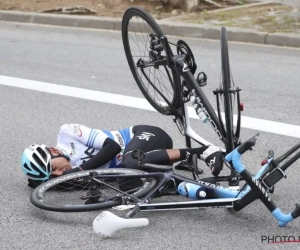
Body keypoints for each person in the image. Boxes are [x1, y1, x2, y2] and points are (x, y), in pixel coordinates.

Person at [21, 124, 223, 188]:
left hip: (145, 135)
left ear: (54, 151)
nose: (59, 173)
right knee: (127, 180)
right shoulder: (66, 175)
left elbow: (112, 148)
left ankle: (203, 151)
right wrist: (40, 182)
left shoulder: (67, 133)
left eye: (54, 166)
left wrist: (80, 170)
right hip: (145, 159)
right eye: (53, 175)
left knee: (129, 161)